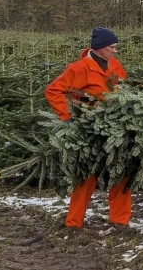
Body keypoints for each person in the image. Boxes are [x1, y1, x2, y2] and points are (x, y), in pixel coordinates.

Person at [44, 26, 131, 228]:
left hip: (116, 129)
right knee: (86, 176)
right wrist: (67, 117)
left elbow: (126, 89)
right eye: (112, 47)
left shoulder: (114, 65)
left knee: (121, 173)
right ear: (99, 47)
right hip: (89, 130)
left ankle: (120, 221)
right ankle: (74, 223)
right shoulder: (79, 68)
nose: (114, 51)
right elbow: (53, 90)